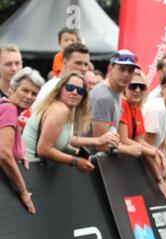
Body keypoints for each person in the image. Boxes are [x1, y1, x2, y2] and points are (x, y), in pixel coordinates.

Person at [22, 71, 119, 172]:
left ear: (83, 97)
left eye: (80, 91)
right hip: (31, 169)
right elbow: (43, 150)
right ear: (60, 89)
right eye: (69, 88)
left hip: (36, 170)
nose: (74, 92)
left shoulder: (67, 110)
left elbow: (66, 138)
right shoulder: (59, 109)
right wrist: (75, 161)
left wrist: (96, 141)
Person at [119, 70, 166, 202]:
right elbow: (124, 140)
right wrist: (154, 152)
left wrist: (163, 178)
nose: (138, 90)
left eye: (142, 87)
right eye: (133, 86)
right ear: (125, 87)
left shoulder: (137, 108)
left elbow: (140, 142)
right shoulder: (122, 104)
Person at [0, 67, 45, 214]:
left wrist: (19, 154)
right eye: (25, 90)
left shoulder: (6, 107)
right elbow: (4, 153)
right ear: (12, 89)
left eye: (34, 94)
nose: (29, 96)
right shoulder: (9, 109)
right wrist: (23, 191)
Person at [90, 49, 142, 157]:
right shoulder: (103, 96)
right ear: (110, 68)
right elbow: (100, 145)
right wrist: (128, 149)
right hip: (87, 163)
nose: (126, 74)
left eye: (130, 70)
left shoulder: (117, 93)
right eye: (121, 69)